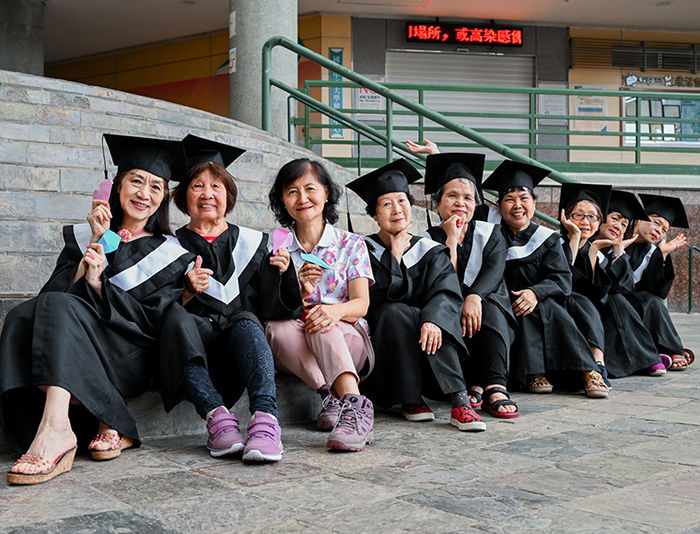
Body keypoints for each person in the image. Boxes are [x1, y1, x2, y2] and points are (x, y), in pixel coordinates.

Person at [1, 134, 194, 484]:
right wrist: (92, 248)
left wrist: (98, 286)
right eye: (136, 181)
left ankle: (59, 431)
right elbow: (50, 302)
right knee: (20, 316)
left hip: (129, 354)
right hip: (81, 341)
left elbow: (153, 320)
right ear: (116, 186)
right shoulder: (86, 235)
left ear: (164, 197)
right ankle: (50, 424)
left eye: (155, 187)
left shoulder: (174, 255)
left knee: (60, 307)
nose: (144, 194)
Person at [157, 135, 302, 462]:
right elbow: (154, 311)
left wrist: (284, 272)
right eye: (197, 186)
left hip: (242, 354)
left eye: (216, 186)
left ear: (228, 195)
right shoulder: (167, 248)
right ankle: (218, 420)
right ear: (183, 197)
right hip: (193, 358)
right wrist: (186, 292)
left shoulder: (254, 244)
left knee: (248, 320)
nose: (207, 194)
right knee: (174, 319)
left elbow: (277, 309)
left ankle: (266, 420)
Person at [347, 159, 486, 431]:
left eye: (402, 201)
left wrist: (433, 320)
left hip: (429, 346)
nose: (397, 210)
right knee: (395, 311)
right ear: (374, 215)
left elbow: (447, 291)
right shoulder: (362, 249)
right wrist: (395, 257)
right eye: (387, 204)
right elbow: (375, 298)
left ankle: (459, 400)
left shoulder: (430, 249)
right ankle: (409, 398)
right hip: (388, 351)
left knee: (437, 315)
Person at [266, 159, 375, 452]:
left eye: (310, 189)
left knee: (321, 323)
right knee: (276, 329)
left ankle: (355, 407)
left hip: (347, 335)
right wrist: (300, 289)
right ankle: (331, 395)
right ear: (282, 202)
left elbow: (361, 304)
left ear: (326, 193)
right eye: (292, 192)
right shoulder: (277, 248)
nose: (302, 199)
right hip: (298, 339)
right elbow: (274, 307)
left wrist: (333, 311)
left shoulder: (351, 244)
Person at [481, 160, 608, 398]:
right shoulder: (490, 234)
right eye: (509, 199)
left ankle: (587, 370)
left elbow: (561, 278)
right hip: (503, 303)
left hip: (538, 301)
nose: (517, 205)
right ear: (499, 206)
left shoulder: (546, 238)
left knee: (547, 306)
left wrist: (535, 292)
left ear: (534, 203)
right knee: (524, 308)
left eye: (524, 198)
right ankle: (536, 372)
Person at [422, 153, 519, 418]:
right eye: (452, 196)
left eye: (468, 198)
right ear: (437, 203)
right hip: (449, 311)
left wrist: (474, 296)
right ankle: (472, 382)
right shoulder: (426, 239)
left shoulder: (491, 232)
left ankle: (495, 384)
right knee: (446, 308)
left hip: (484, 307)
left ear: (476, 204)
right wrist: (451, 237)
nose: (460, 203)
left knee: (492, 302)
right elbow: (443, 281)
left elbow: (495, 270)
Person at [594, 190, 667, 377]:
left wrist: (618, 252)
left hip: (604, 303)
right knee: (616, 300)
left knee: (621, 298)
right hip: (580, 301)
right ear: (600, 217)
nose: (618, 226)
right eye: (615, 219)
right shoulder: (575, 241)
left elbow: (623, 286)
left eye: (624, 224)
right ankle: (649, 358)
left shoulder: (612, 249)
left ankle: (649, 357)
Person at [625, 194, 693, 371]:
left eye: (664, 230)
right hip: (612, 300)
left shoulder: (652, 250)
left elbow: (658, 291)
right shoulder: (620, 237)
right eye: (656, 222)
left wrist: (661, 256)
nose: (659, 231)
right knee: (647, 300)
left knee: (651, 299)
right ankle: (670, 349)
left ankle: (668, 350)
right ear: (639, 219)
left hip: (633, 304)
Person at [558, 183, 614, 393]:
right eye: (578, 215)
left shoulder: (596, 250)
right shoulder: (552, 241)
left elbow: (596, 293)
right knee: (578, 300)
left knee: (594, 303)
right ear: (566, 217)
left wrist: (594, 251)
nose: (585, 222)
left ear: (599, 223)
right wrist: (574, 238)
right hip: (557, 303)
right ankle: (595, 365)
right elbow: (562, 279)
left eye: (592, 217)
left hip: (584, 308)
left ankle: (598, 364)